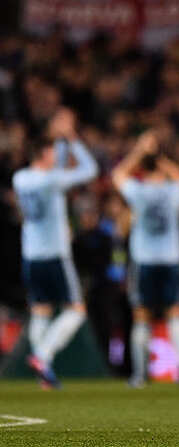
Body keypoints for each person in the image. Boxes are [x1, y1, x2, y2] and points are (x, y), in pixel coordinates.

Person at [13, 109, 98, 388]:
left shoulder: (21, 178)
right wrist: (71, 138)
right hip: (55, 255)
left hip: (31, 256)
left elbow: (56, 166)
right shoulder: (52, 180)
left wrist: (58, 138)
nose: (55, 157)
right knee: (76, 310)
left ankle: (44, 373)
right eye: (52, 153)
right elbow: (90, 170)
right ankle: (42, 355)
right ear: (44, 155)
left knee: (41, 310)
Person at [112, 131, 179, 387]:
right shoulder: (173, 190)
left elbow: (118, 175)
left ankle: (140, 374)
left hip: (144, 259)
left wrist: (140, 151)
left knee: (141, 316)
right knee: (176, 313)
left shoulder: (138, 191)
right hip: (171, 258)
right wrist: (160, 157)